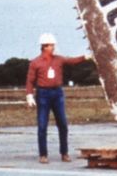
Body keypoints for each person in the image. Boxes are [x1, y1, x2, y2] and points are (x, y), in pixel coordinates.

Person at [25, 33, 88, 163]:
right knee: (42, 125)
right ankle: (43, 154)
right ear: (44, 46)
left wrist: (85, 57)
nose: (53, 47)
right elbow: (30, 80)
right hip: (43, 94)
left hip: (57, 93)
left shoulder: (58, 59)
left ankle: (64, 153)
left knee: (63, 124)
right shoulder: (35, 63)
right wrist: (29, 95)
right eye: (51, 45)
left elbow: (72, 61)